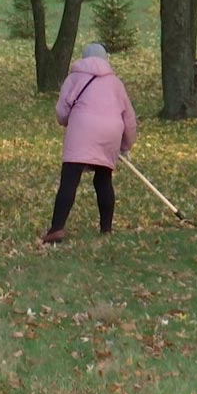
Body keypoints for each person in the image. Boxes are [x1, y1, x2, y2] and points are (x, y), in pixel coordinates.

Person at [42, 43, 136, 244]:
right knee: (103, 179)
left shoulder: (74, 78)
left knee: (70, 179)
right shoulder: (116, 84)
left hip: (82, 130)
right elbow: (129, 118)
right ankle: (106, 229)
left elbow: (61, 113)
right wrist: (126, 145)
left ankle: (57, 228)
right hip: (110, 133)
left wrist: (67, 120)